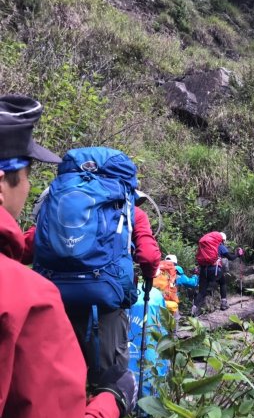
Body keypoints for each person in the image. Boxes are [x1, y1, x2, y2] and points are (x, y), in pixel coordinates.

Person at [0, 94, 136, 418]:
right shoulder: (26, 298)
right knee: (104, 375)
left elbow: (33, 244)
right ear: (2, 183)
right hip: (104, 305)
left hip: (64, 294)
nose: (30, 187)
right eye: (28, 174)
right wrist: (112, 401)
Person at [24, 152, 161, 385]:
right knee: (110, 387)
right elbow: (148, 256)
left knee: (57, 385)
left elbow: (26, 245)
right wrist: (148, 278)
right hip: (105, 307)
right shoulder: (132, 212)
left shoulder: (56, 208)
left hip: (53, 307)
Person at [193, 231, 243, 313]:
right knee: (222, 281)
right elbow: (231, 257)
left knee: (201, 291)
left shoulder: (205, 247)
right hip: (214, 270)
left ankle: (194, 310)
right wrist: (238, 254)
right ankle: (223, 303)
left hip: (203, 270)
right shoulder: (220, 246)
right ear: (222, 240)